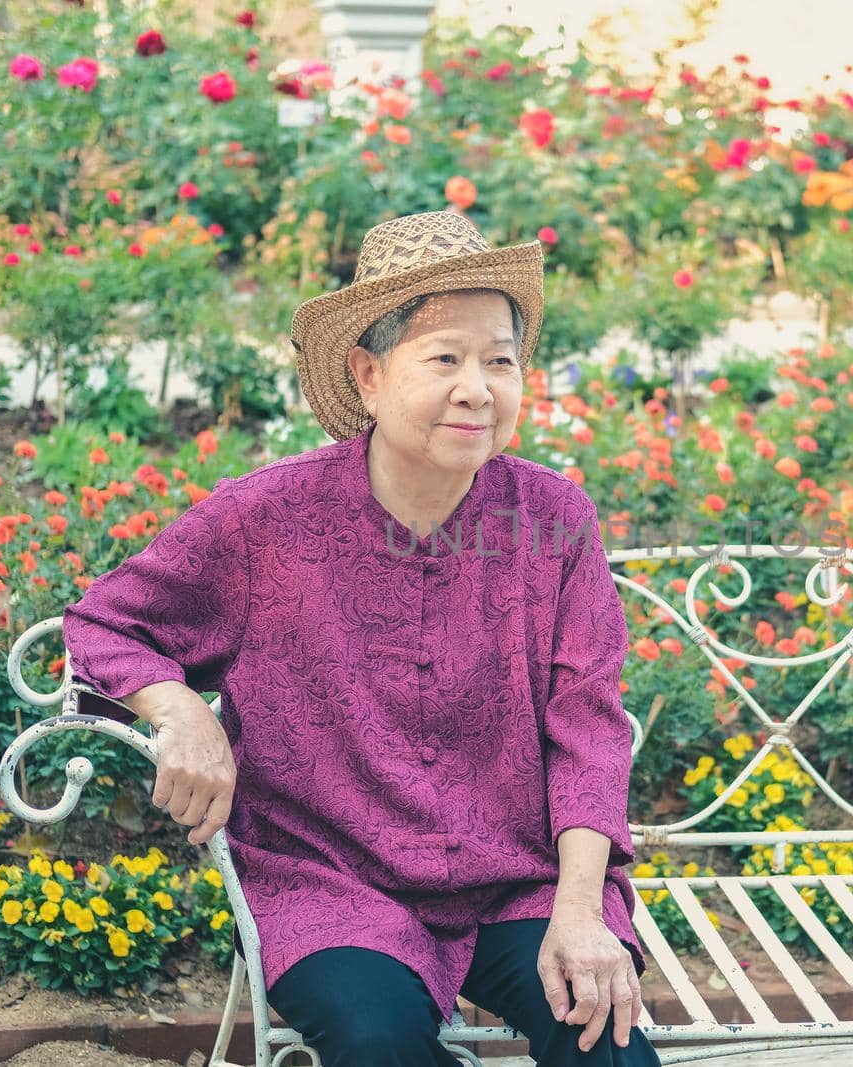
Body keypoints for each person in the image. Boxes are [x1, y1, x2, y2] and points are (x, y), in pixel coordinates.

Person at [62, 211, 660, 1065]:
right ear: (369, 374)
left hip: (520, 877)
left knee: (605, 1038)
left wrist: (579, 908)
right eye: (445, 358)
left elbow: (588, 725)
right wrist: (179, 708)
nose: (478, 387)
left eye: (501, 359)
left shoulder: (554, 520)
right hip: (329, 882)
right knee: (378, 1040)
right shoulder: (266, 517)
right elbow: (105, 622)